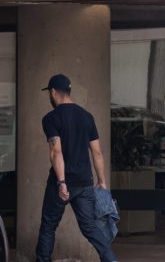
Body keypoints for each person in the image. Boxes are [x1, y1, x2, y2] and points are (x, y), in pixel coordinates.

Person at [35, 74, 118, 262]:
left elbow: (57, 152)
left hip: (62, 183)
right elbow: (97, 153)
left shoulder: (50, 118)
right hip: (84, 182)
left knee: (48, 225)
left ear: (54, 92)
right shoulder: (87, 117)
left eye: (50, 93)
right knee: (89, 226)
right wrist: (102, 181)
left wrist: (62, 182)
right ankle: (110, 259)